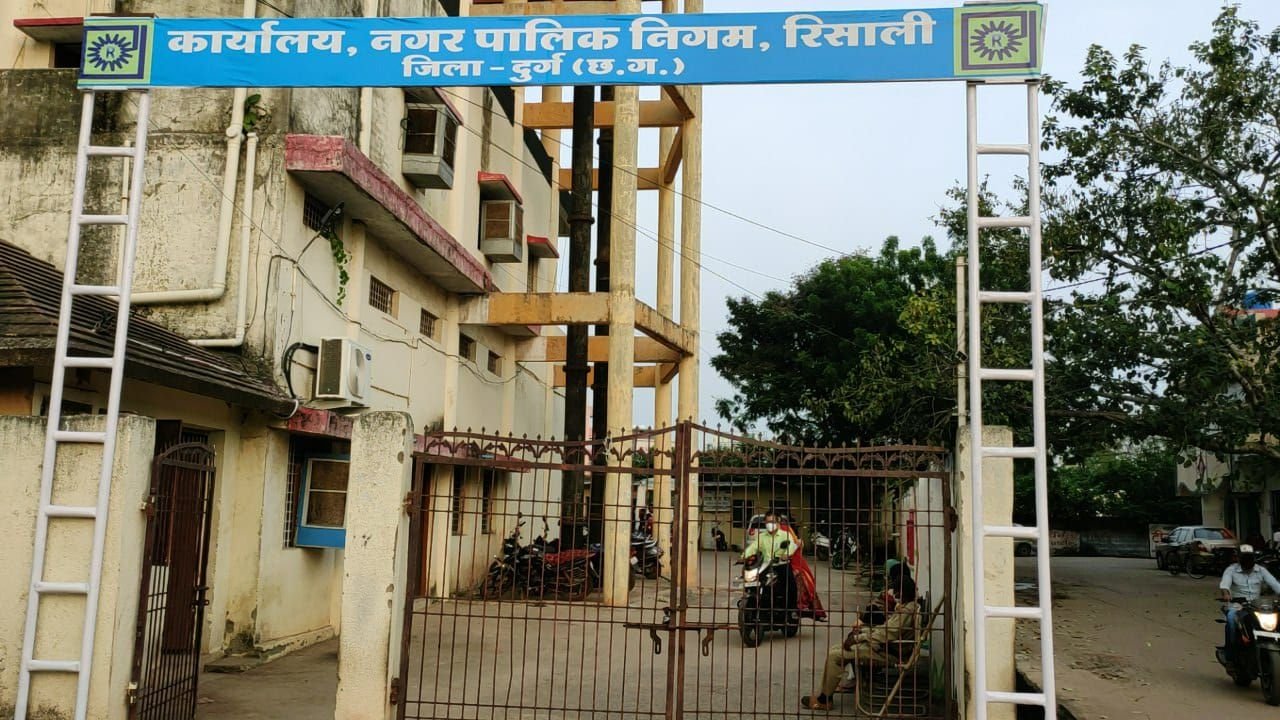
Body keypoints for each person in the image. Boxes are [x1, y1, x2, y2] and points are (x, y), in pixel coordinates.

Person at [801, 569, 921, 711]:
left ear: (903, 592)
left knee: (835, 656)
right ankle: (824, 694)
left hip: (889, 652)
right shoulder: (907, 607)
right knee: (835, 650)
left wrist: (859, 638)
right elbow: (885, 629)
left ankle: (824, 700)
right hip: (884, 646)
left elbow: (886, 634)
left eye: (896, 592)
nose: (894, 595)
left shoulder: (906, 611)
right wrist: (863, 632)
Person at [1219, 544, 1280, 663]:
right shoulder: (1231, 570)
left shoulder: (1261, 570)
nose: (1248, 560)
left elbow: (1275, 584)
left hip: (1257, 606)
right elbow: (1225, 584)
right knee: (1231, 619)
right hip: (1238, 607)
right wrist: (1226, 593)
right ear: (1239, 558)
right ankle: (1230, 655)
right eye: (1245, 558)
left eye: (1250, 557)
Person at [778, 517, 828, 622]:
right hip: (779, 563)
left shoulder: (788, 533)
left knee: (800, 580)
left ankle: (799, 607)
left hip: (792, 563)